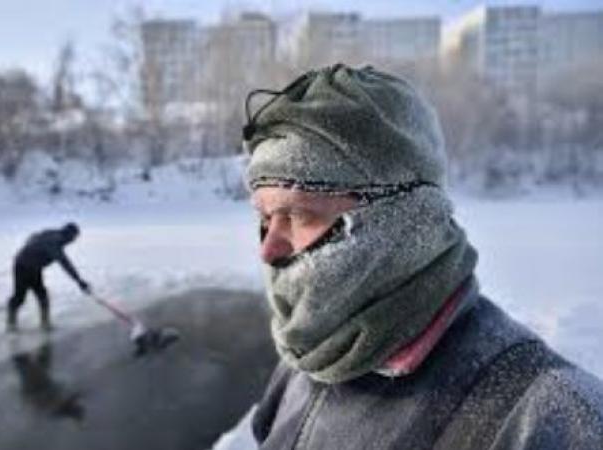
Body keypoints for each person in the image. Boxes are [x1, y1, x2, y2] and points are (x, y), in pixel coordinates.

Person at [242, 64, 603, 449]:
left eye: (300, 214)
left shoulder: (551, 418)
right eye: (265, 217)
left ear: (402, 220)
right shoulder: (309, 360)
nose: (269, 249)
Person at [7, 222, 91, 331]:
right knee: (20, 296)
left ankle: (45, 324)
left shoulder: (53, 234)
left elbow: (33, 236)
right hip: (22, 267)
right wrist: (79, 281)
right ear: (68, 235)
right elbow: (65, 263)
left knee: (42, 295)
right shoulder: (54, 243)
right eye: (74, 237)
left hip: (34, 268)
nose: (73, 241)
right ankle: (11, 324)